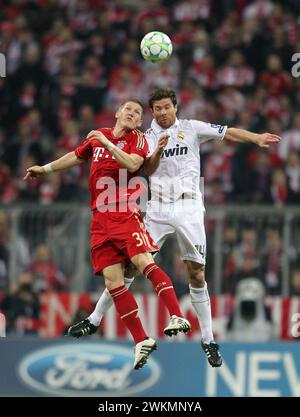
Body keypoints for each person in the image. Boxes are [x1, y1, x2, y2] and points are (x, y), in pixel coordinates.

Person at [75, 88, 281, 368]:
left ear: (175, 108)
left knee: (196, 274)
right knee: (132, 267)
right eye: (157, 108)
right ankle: (94, 319)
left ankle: (208, 340)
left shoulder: (192, 128)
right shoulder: (144, 137)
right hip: (157, 207)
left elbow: (227, 132)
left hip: (189, 207)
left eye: (166, 107)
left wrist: (255, 137)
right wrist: (155, 152)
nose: (161, 112)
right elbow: (145, 170)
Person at [24, 99, 191, 370]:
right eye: (129, 109)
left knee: (143, 263)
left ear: (139, 123)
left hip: (124, 211)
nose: (133, 114)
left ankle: (177, 315)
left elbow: (132, 162)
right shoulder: (98, 138)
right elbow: (76, 156)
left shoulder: (137, 139)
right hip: (100, 221)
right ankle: (141, 339)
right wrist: (45, 169)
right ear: (118, 113)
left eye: (138, 113)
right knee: (113, 284)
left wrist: (108, 142)